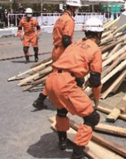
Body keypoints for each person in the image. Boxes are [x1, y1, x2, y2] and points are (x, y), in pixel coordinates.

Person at [44, 17, 104, 158]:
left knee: (62, 110)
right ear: (98, 34)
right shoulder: (95, 49)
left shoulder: (74, 44)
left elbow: (69, 64)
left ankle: (62, 141)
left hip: (51, 80)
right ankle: (77, 155)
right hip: (65, 83)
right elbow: (95, 80)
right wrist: (96, 99)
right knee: (92, 118)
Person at [33, 0, 81, 110]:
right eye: (76, 8)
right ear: (72, 8)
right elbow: (66, 40)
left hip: (56, 50)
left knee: (55, 76)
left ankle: (40, 99)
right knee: (75, 75)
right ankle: (74, 101)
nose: (77, 11)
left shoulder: (60, 19)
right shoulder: (69, 20)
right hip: (63, 51)